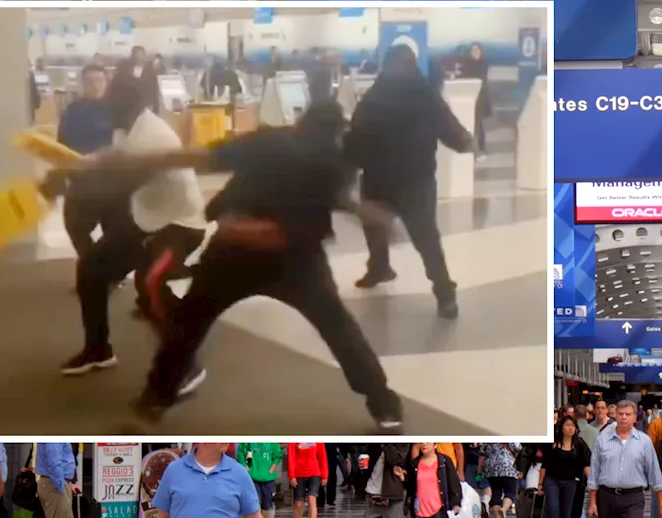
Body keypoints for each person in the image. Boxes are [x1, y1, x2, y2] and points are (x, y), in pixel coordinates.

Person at [51, 67, 404, 431]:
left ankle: (154, 400)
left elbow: (198, 158)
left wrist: (142, 161)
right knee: (340, 330)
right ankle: (385, 406)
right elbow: (332, 199)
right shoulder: (333, 162)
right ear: (336, 134)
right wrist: (367, 211)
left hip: (234, 253)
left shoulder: (270, 141)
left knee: (187, 326)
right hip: (294, 261)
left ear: (300, 124)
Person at [51, 64, 208, 381]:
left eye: (112, 103)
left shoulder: (150, 135)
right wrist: (82, 164)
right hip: (148, 219)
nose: (107, 109)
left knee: (149, 284)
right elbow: (114, 154)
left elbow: (119, 184)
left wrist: (66, 184)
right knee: (92, 269)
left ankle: (187, 364)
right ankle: (99, 350)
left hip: (180, 224)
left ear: (127, 106)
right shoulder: (129, 126)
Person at [347, 44, 476, 320]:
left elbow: (355, 138)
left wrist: (350, 165)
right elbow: (451, 130)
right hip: (416, 181)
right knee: (427, 238)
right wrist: (466, 142)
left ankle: (379, 267)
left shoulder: (372, 97)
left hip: (378, 179)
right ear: (413, 64)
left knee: (375, 226)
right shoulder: (426, 95)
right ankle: (445, 296)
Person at [56, 64, 115, 255]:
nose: (95, 85)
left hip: (112, 181)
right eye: (90, 81)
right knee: (75, 227)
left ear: (106, 83)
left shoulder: (116, 111)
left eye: (99, 80)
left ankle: (107, 271)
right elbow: (62, 145)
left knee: (114, 233)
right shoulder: (72, 112)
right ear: (82, 84)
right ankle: (90, 263)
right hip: (81, 181)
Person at [540, 417, 591, 518]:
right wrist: (540, 484)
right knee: (553, 510)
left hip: (570, 482)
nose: (570, 428)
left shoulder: (579, 445)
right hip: (552, 481)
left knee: (566, 512)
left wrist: (592, 482)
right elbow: (544, 465)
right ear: (561, 427)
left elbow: (586, 463)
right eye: (567, 425)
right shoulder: (553, 444)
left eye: (572, 426)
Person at [287, 442, 328, 518]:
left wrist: (324, 475)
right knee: (298, 503)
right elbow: (291, 457)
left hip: (314, 472)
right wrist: (291, 475)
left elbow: (322, 456)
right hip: (299, 473)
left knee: (311, 499)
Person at [236, 443, 282, 518]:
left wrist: (272, 468)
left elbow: (278, 455)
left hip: (268, 478)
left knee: (266, 503)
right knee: (255, 503)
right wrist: (246, 468)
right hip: (252, 478)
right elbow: (240, 454)